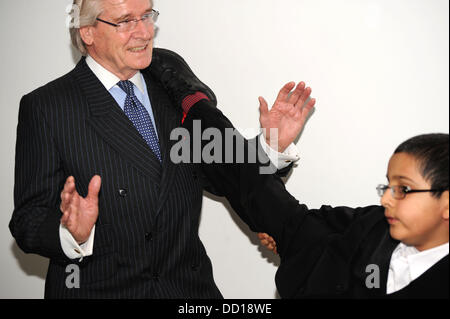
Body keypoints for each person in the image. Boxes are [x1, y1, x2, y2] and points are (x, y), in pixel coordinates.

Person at [9, 0, 295, 298]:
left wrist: (270, 145)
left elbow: (222, 172)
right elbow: (28, 221)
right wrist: (71, 233)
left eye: (147, 16)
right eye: (125, 21)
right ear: (88, 32)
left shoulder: (176, 89)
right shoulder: (47, 107)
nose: (144, 32)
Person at [149, 60, 449, 298]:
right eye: (388, 186)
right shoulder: (375, 224)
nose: (385, 198)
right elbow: (286, 218)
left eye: (403, 189)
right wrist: (270, 146)